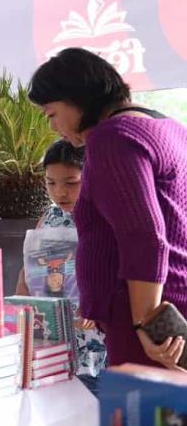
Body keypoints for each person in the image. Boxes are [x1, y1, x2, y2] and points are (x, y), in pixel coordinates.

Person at [29, 47, 187, 370]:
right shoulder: (169, 127)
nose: (53, 126)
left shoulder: (112, 137)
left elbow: (144, 235)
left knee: (148, 417)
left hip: (150, 320)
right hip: (170, 305)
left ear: (76, 98)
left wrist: (146, 321)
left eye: (51, 114)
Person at [15, 140, 107, 392]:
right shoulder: (50, 215)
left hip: (93, 331)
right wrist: (22, 304)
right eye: (50, 182)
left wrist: (95, 306)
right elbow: (30, 266)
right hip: (52, 332)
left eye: (71, 182)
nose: (60, 192)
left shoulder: (105, 215)